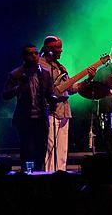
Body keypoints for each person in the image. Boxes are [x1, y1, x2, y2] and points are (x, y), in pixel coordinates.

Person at [40, 35, 101, 171]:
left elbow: (72, 89)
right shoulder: (40, 65)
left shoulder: (61, 67)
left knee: (62, 150)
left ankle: (60, 175)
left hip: (64, 111)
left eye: (61, 47)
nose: (61, 50)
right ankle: (48, 176)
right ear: (48, 49)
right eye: (58, 48)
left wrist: (88, 79)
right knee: (50, 149)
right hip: (50, 111)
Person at [2, 44, 51, 171]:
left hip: (41, 118)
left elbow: (49, 94)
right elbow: (5, 95)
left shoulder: (45, 74)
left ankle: (39, 174)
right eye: (31, 54)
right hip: (25, 119)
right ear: (24, 57)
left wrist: (54, 100)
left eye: (36, 53)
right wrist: (19, 88)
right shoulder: (16, 74)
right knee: (28, 150)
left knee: (41, 149)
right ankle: (28, 175)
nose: (34, 56)